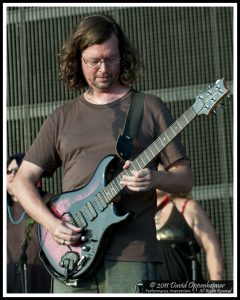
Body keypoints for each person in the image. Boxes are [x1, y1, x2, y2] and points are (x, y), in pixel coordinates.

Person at [12, 14, 194, 293]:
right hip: (70, 257)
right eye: (94, 61)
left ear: (123, 56)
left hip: (131, 256)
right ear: (78, 60)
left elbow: (185, 181)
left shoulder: (149, 107)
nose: (104, 68)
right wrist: (52, 224)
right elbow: (23, 181)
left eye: (111, 58)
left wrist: (153, 178)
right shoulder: (62, 117)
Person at [155, 187, 224, 281]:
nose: (152, 173)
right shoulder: (137, 214)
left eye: (158, 171)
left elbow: (212, 247)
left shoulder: (188, 207)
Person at [7, 153, 52, 293]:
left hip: (42, 283)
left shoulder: (48, 202)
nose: (13, 175)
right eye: (9, 171)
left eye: (18, 170)